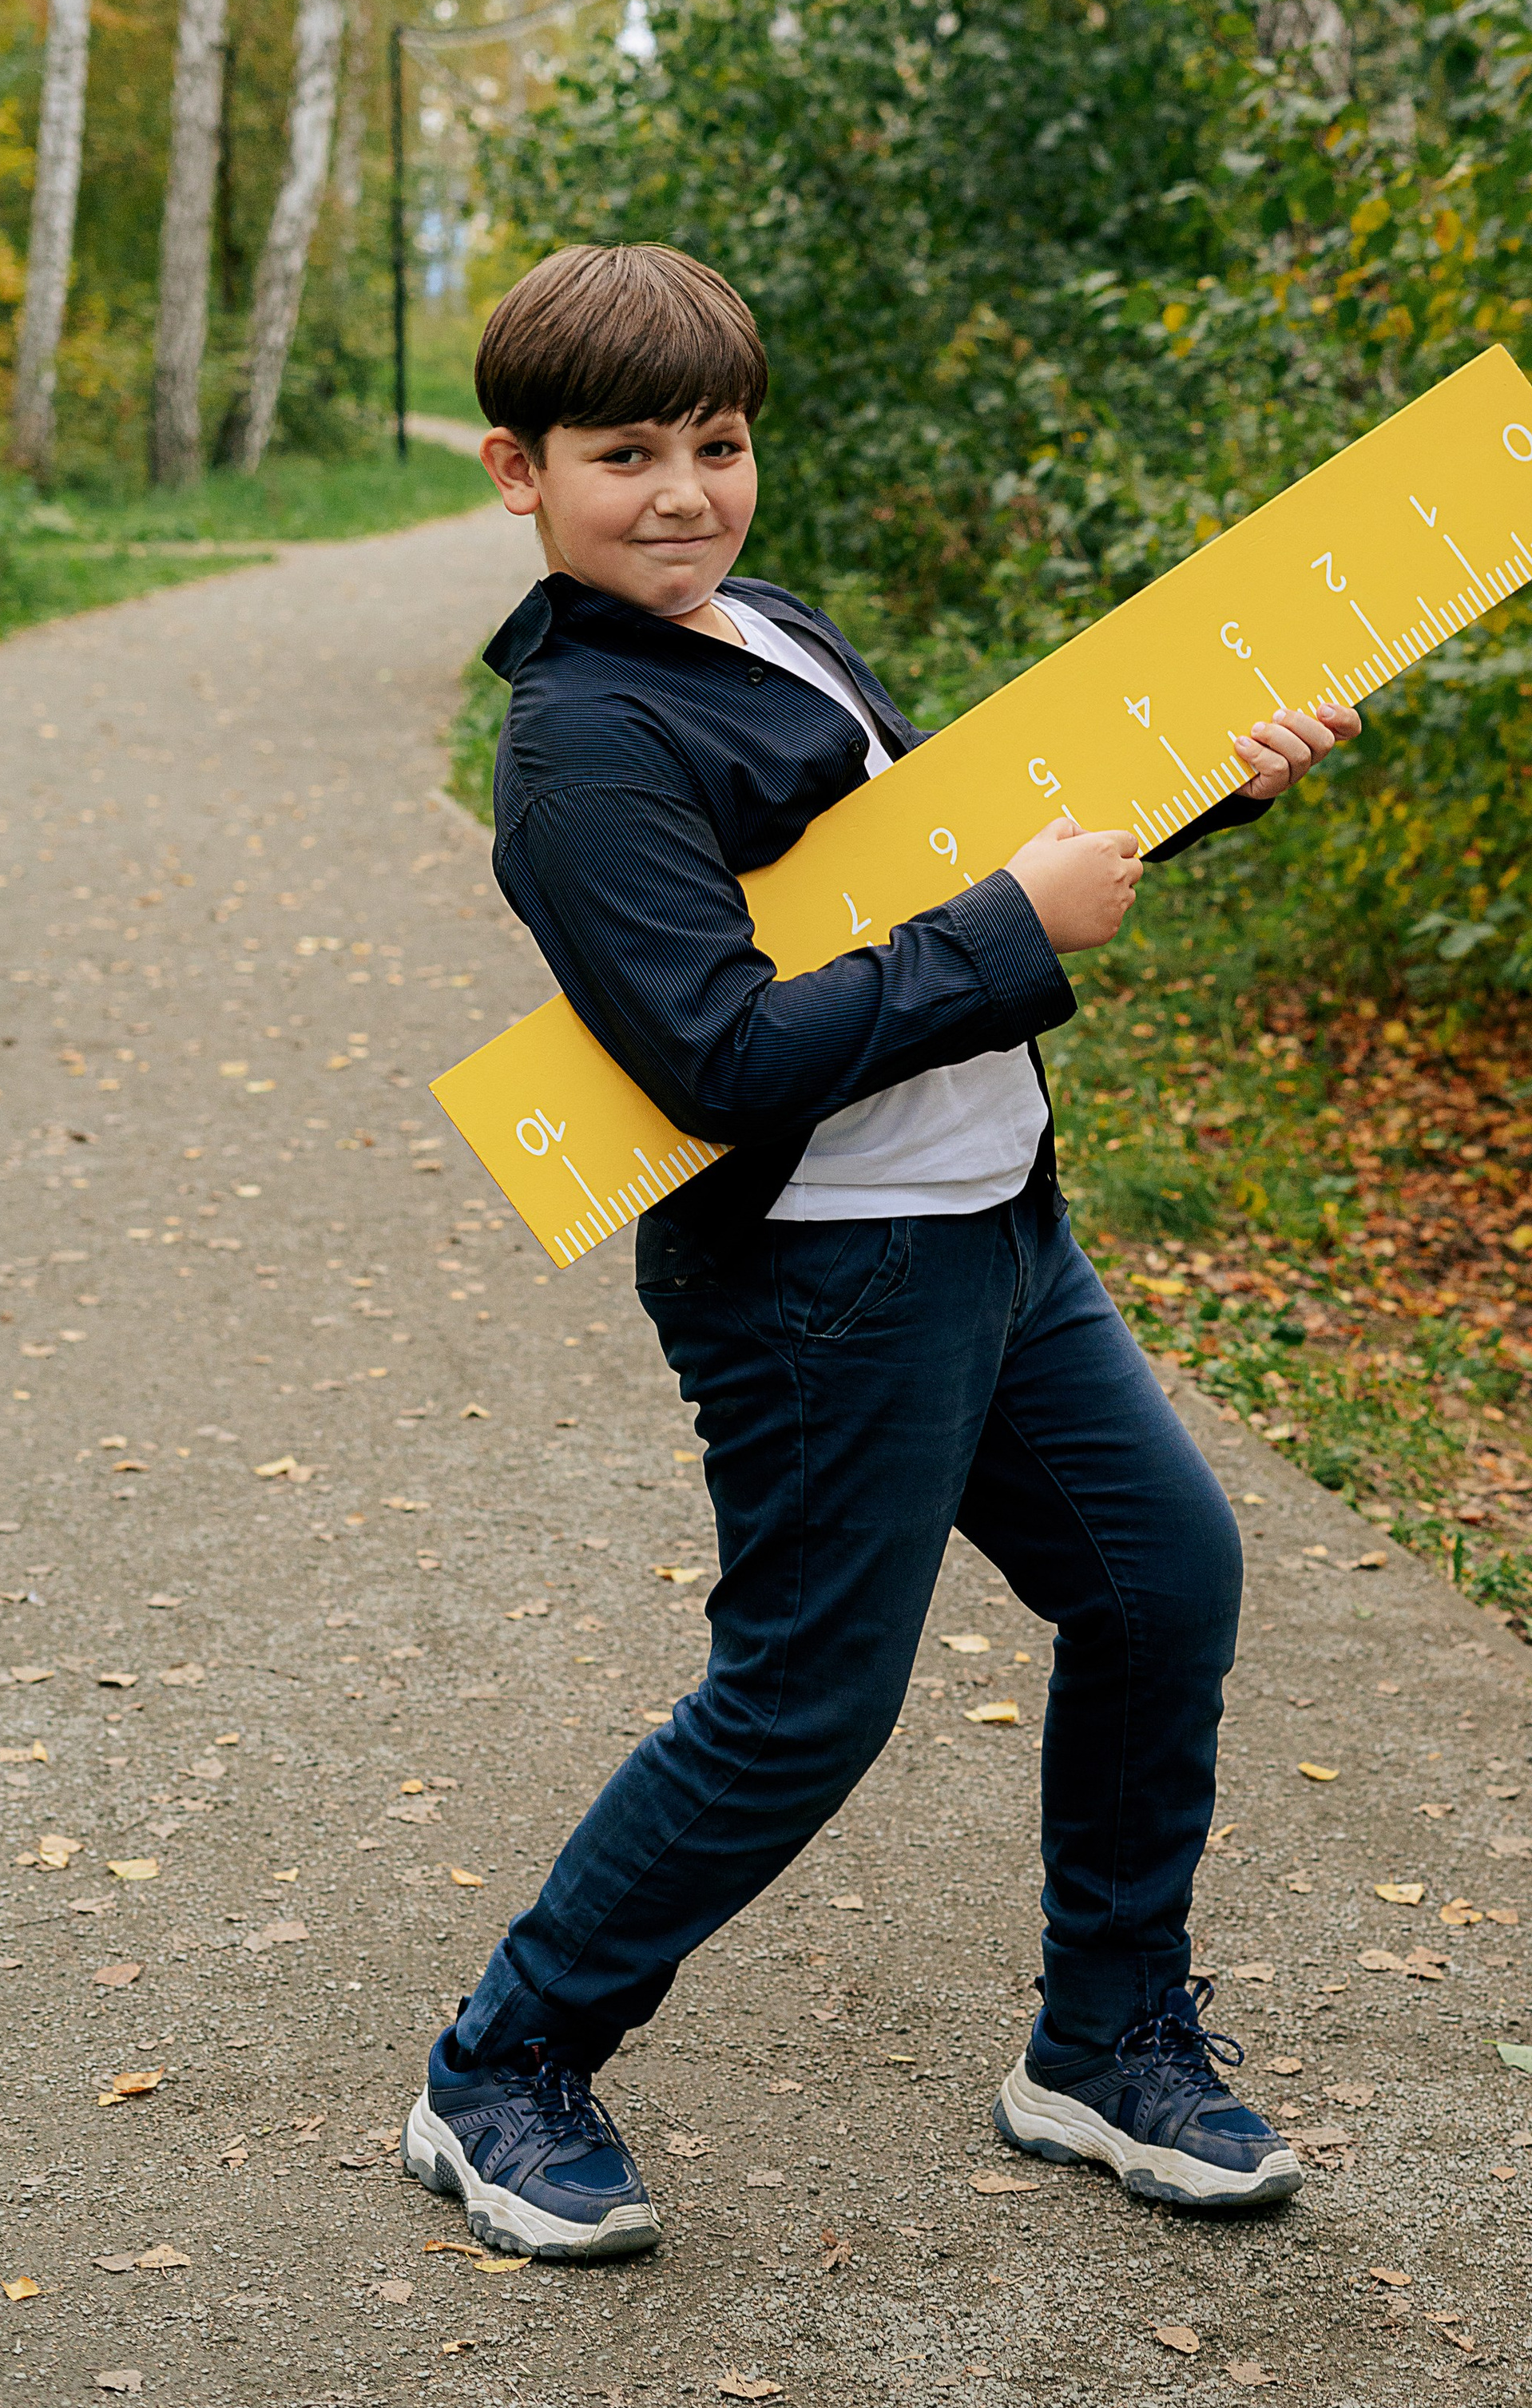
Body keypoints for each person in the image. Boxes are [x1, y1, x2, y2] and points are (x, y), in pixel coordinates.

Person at [403, 241, 1359, 2260]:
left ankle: (1102, 2040)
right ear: (519, 470)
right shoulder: (584, 746)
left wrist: (1204, 796)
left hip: (1000, 1220)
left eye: (720, 442)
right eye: (625, 452)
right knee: (804, 1701)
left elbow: (942, 871)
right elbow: (720, 1051)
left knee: (1163, 1580)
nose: (684, 491)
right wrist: (1017, 931)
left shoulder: (772, 628)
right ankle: (500, 2065)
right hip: (825, 1273)